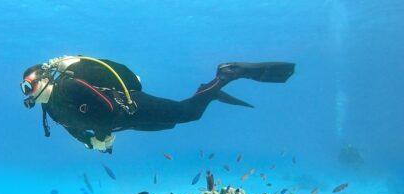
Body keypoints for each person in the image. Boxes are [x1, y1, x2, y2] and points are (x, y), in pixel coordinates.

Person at [21, 56, 295, 152]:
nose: (27, 92)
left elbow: (107, 107)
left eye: (28, 85)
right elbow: (71, 125)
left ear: (44, 79)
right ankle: (209, 93)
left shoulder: (68, 86)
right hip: (127, 122)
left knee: (189, 114)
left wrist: (102, 135)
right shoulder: (50, 107)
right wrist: (90, 142)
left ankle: (223, 77)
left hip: (132, 107)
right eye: (25, 89)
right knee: (170, 124)